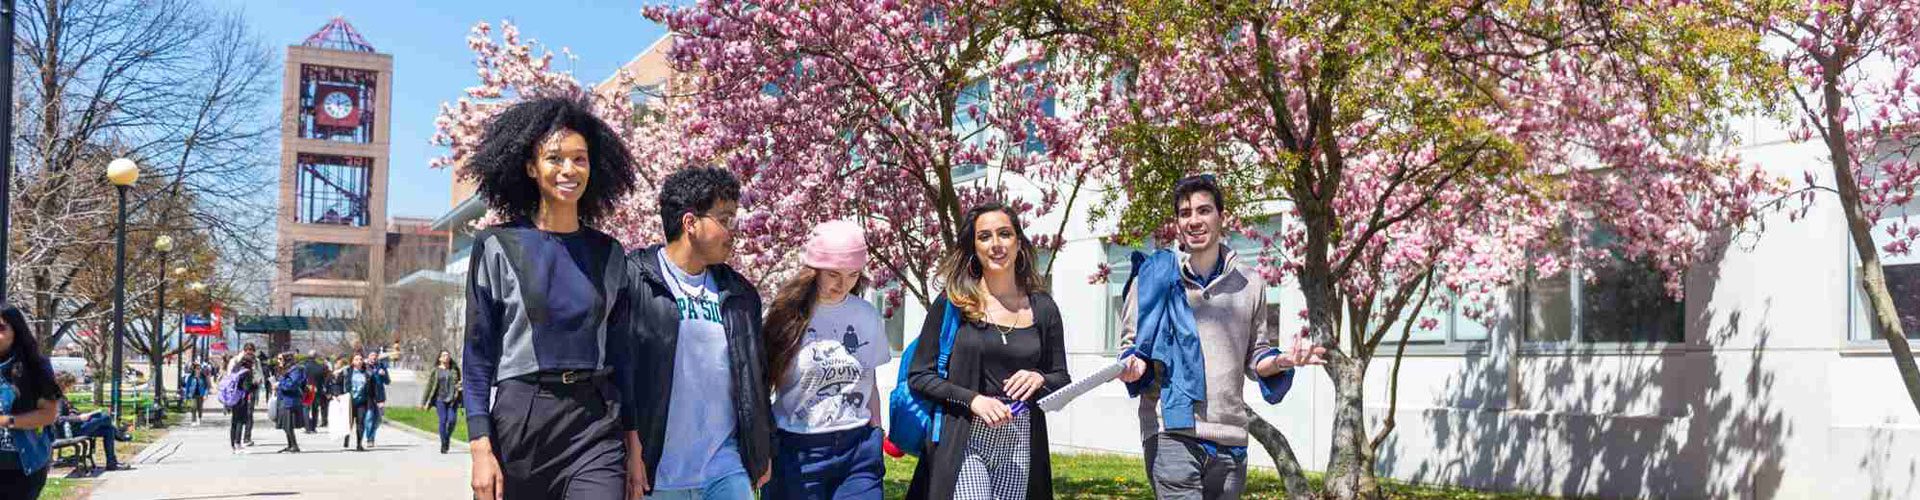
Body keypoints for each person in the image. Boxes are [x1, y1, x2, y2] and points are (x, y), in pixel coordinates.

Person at [461, 96, 641, 500]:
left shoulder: (611, 255)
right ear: (530, 166)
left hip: (594, 425)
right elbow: (477, 357)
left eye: (580, 159)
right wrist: (480, 449)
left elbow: (622, 359)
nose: (568, 169)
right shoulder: (496, 246)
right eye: (555, 158)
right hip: (522, 422)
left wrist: (633, 446)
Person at [1115, 174, 1327, 500]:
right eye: (1185, 213)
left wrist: (1282, 360)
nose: (1194, 220)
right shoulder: (1154, 276)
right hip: (1172, 431)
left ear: (1220, 217)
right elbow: (1130, 346)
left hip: (1231, 439)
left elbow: (1256, 356)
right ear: (1177, 223)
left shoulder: (1250, 282)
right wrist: (1132, 365)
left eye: (1204, 211)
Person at [622, 167, 773, 500]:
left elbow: (754, 376)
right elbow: (620, 375)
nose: (734, 231)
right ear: (690, 223)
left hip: (726, 469)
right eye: (725, 219)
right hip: (657, 473)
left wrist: (761, 447)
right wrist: (630, 449)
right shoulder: (633, 280)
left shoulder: (739, 293)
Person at [905, 202, 1072, 500]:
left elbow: (1061, 377)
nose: (996, 245)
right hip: (966, 435)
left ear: (1018, 243)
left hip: (1019, 437)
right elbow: (920, 375)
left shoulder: (1043, 308)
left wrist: (1039, 379)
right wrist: (973, 401)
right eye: (984, 236)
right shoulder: (952, 304)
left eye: (1005, 234)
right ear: (974, 247)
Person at [760, 221, 888, 500]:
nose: (843, 285)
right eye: (833, 274)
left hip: (858, 448)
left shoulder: (867, 315)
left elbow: (870, 379)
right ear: (813, 270)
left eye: (853, 275)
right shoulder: (784, 316)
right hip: (797, 450)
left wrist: (876, 430)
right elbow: (760, 384)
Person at [0, 304, 67, 496]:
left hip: (21, 467)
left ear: (16, 331)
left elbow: (49, 414)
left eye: (1, 328)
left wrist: (7, 421)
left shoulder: (34, 366)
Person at [52, 374, 129, 467]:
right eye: (71, 385)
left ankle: (111, 463)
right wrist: (79, 418)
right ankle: (120, 434)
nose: (73, 387)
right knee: (105, 417)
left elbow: (69, 413)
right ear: (64, 384)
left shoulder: (62, 397)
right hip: (69, 432)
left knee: (109, 430)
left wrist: (81, 414)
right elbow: (57, 419)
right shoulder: (58, 399)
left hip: (75, 428)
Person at [420, 351, 461, 454]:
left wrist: (459, 387)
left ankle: (446, 438)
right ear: (439, 358)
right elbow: (429, 387)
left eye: (448, 355)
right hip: (440, 399)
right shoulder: (436, 371)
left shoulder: (455, 370)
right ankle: (444, 444)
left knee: (452, 420)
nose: (446, 357)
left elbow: (459, 383)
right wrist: (423, 402)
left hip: (452, 399)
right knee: (443, 420)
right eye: (444, 355)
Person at [274, 353, 308, 453]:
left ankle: (294, 445)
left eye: (280, 359)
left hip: (290, 400)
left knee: (288, 424)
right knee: (285, 424)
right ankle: (290, 444)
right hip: (284, 399)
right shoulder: (285, 370)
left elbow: (291, 385)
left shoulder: (295, 370)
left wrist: (279, 384)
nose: (278, 361)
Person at [225, 356, 258, 453]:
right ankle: (238, 444)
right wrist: (255, 385)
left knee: (234, 422)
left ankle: (233, 445)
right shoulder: (246, 372)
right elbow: (247, 387)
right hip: (241, 400)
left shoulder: (236, 370)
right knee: (240, 421)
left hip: (233, 399)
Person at [304, 351, 330, 432]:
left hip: (308, 388)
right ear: (316, 357)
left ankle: (307, 427)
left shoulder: (305, 367)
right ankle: (313, 427)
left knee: (306, 408)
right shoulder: (320, 367)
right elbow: (323, 379)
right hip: (317, 389)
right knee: (315, 409)